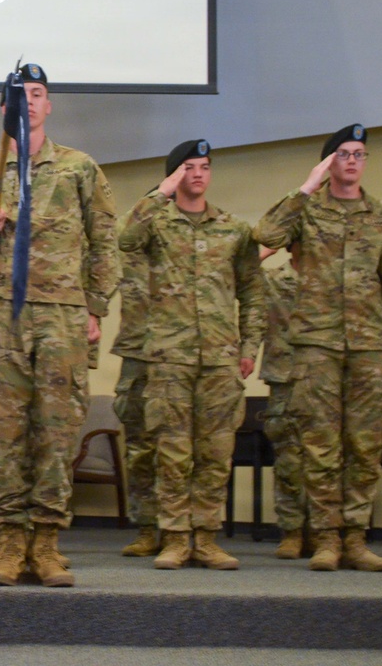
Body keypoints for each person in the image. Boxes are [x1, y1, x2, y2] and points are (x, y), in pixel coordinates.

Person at [0, 63, 119, 588]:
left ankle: (46, 543)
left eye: (38, 93)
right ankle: (8, 542)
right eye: (17, 95)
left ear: (48, 105)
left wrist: (94, 308)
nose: (28, 101)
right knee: (3, 434)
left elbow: (105, 244)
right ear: (4, 109)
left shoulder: (79, 170)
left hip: (61, 318)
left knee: (56, 431)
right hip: (1, 319)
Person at [254, 124, 382, 572]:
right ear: (327, 162)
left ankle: (356, 539)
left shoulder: (381, 215)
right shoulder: (307, 212)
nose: (352, 161)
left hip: (370, 344)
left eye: (359, 154)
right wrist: (306, 187)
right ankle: (326, 540)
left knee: (364, 445)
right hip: (315, 343)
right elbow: (266, 234)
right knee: (319, 445)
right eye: (342, 154)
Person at [118, 139, 264, 571]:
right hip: (169, 354)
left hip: (220, 356)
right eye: (188, 168)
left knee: (216, 452)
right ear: (173, 175)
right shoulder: (157, 224)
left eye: (203, 167)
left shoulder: (234, 230)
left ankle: (206, 538)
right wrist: (160, 193)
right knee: (172, 451)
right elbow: (126, 238)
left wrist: (249, 347)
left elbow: (252, 293)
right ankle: (176, 537)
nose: (197, 174)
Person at [110, 223, 159, 557]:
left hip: (183, 355)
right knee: (140, 447)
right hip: (137, 354)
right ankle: (148, 528)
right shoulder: (127, 252)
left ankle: (184, 529)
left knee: (183, 446)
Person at [258, 243, 307, 558]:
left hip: (330, 376)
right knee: (289, 458)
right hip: (285, 375)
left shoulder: (339, 280)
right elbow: (229, 274)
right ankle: (292, 531)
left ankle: (327, 532)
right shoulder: (274, 279)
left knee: (330, 458)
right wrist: (264, 250)